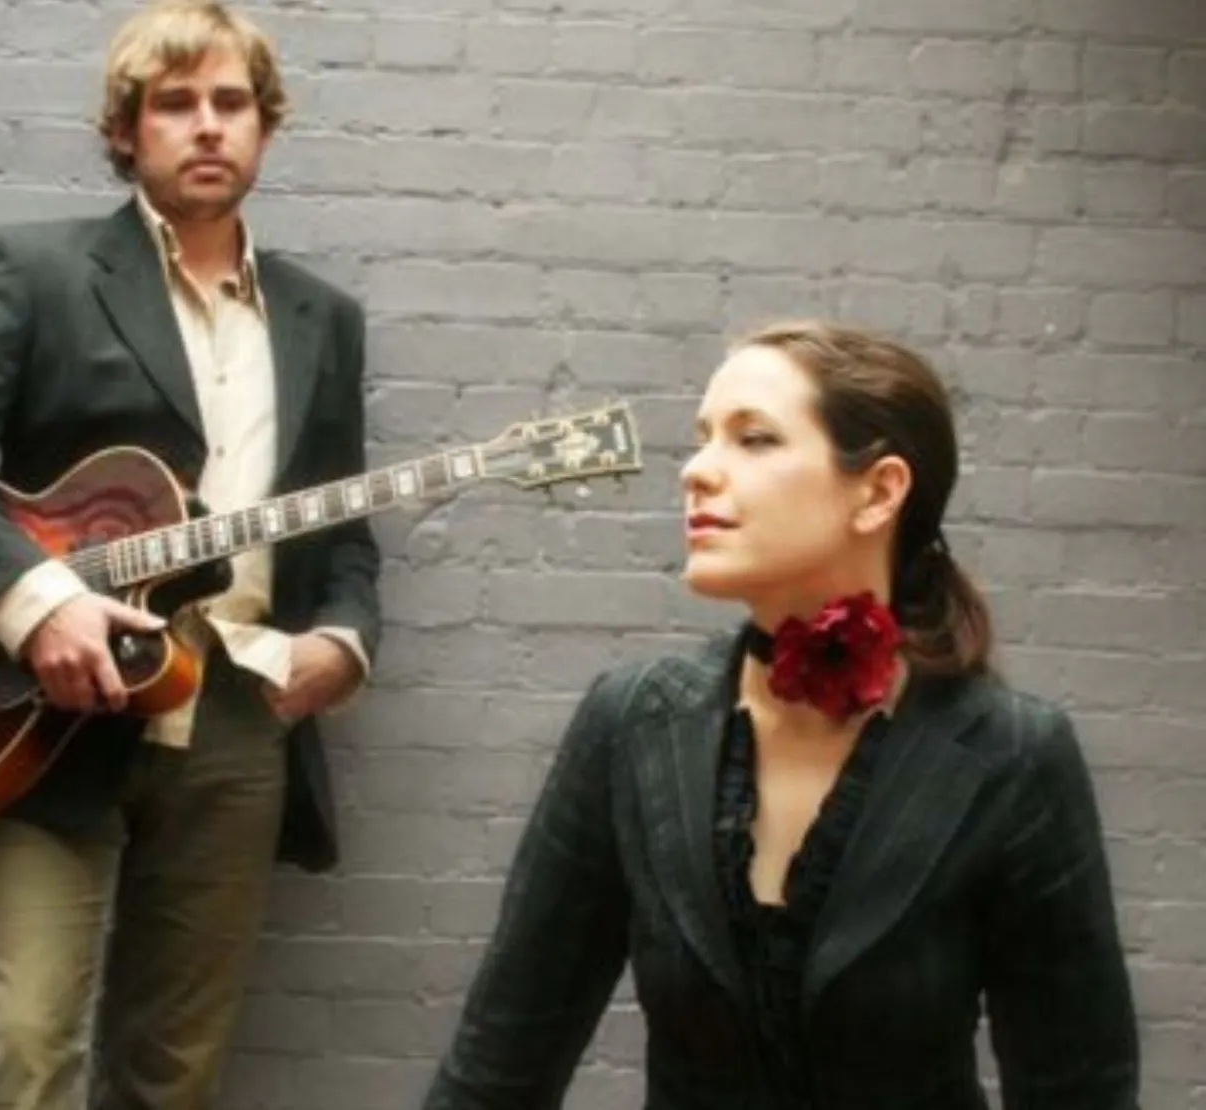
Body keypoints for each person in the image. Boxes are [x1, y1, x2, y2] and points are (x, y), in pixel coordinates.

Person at [0, 3, 381, 1107]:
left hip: (239, 713)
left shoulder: (322, 318)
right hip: (43, 713)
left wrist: (343, 637)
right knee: (27, 1044)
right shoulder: (39, 270)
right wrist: (35, 604)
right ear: (127, 131)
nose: (206, 127)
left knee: (173, 1073)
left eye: (230, 103)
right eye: (175, 104)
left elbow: (339, 536)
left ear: (265, 127)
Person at [420, 320, 1138, 1109]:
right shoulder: (631, 727)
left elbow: (1081, 1090)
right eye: (702, 439)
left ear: (879, 491)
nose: (696, 470)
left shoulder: (1011, 757)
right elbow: (498, 1068)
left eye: (753, 439)